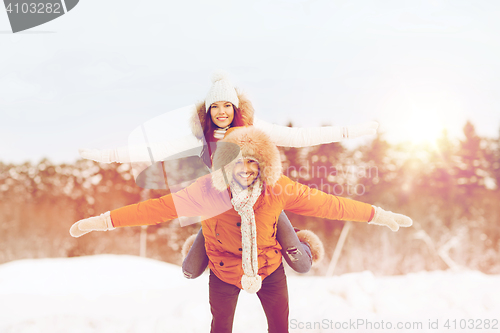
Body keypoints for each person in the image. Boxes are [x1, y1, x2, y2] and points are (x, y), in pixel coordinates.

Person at [70, 126, 412, 333]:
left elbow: (330, 204)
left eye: (253, 162)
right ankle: (199, 245)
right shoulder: (205, 192)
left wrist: (378, 214)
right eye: (238, 161)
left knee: (280, 326)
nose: (246, 169)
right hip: (222, 269)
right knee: (220, 328)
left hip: (269, 268)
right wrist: (102, 221)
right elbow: (155, 210)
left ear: (263, 165)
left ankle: (297, 248)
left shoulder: (278, 189)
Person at [78, 70, 379, 278]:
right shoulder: (200, 138)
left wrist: (355, 131)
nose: (221, 111)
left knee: (301, 265)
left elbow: (301, 136)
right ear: (208, 111)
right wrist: (106, 155)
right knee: (190, 270)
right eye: (215, 106)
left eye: (227, 105)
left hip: (261, 204)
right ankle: (213, 244)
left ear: (236, 107)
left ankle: (290, 237)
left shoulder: (255, 128)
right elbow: (153, 149)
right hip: (218, 207)